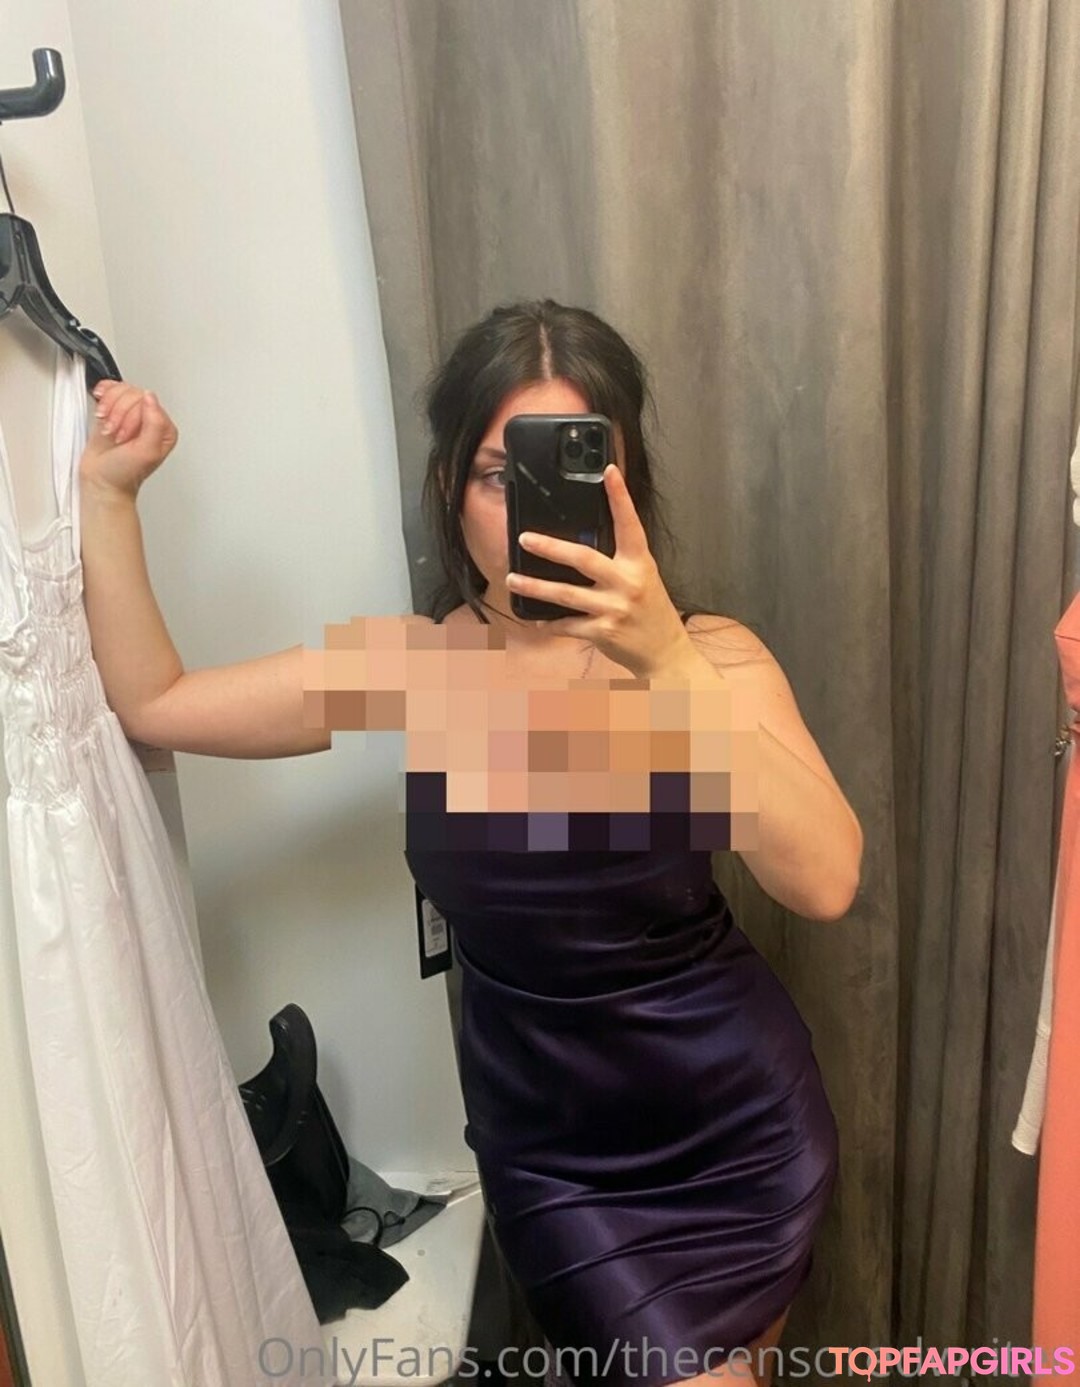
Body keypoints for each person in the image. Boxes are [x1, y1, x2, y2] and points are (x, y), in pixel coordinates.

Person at [78, 300, 862, 1387]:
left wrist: (668, 665)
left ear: (627, 485)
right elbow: (156, 702)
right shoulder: (414, 667)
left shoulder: (710, 657)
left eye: (580, 466)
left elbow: (826, 880)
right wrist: (109, 495)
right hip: (556, 1162)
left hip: (737, 1129)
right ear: (451, 483)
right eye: (502, 473)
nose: (532, 508)